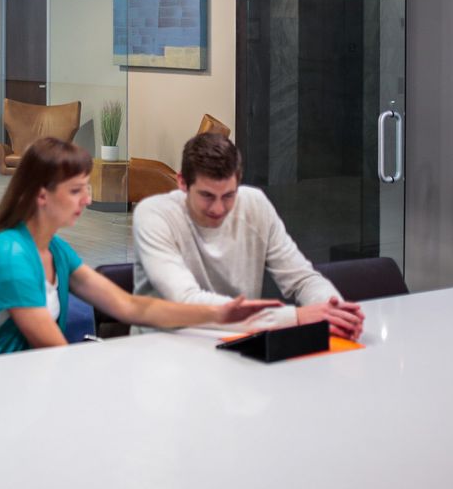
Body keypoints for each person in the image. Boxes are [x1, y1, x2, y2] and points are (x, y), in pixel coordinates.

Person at [0, 137, 278, 361]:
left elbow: (129, 306)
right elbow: (55, 351)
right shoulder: (10, 257)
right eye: (76, 191)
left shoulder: (55, 250)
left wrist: (218, 313)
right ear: (42, 195)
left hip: (22, 385)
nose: (87, 200)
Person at [132, 132, 365, 339]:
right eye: (207, 196)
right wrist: (295, 317)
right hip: (163, 346)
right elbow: (185, 301)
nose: (218, 208)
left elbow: (302, 279)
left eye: (228, 196)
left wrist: (336, 312)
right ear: (182, 182)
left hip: (238, 342)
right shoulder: (154, 214)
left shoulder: (255, 205)